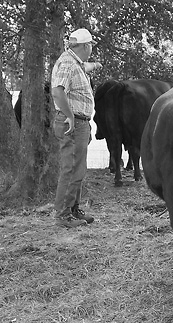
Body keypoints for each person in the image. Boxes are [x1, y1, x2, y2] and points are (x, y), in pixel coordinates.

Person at [51, 28, 102, 228]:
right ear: (84, 46)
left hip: (81, 123)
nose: (91, 48)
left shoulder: (75, 63)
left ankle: (72, 210)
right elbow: (57, 91)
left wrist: (95, 65)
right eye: (89, 45)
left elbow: (83, 68)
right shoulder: (66, 63)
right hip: (73, 121)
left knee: (77, 168)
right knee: (71, 168)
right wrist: (70, 116)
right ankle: (63, 215)